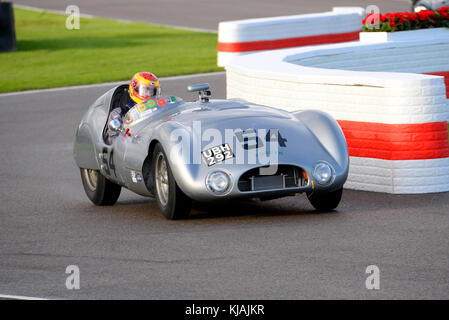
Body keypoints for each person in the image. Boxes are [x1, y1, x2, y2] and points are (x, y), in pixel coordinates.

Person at [106, 72, 160, 143]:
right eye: (145, 90)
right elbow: (113, 140)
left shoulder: (157, 109)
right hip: (130, 146)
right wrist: (126, 126)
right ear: (135, 89)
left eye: (152, 91)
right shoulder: (119, 112)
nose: (149, 94)